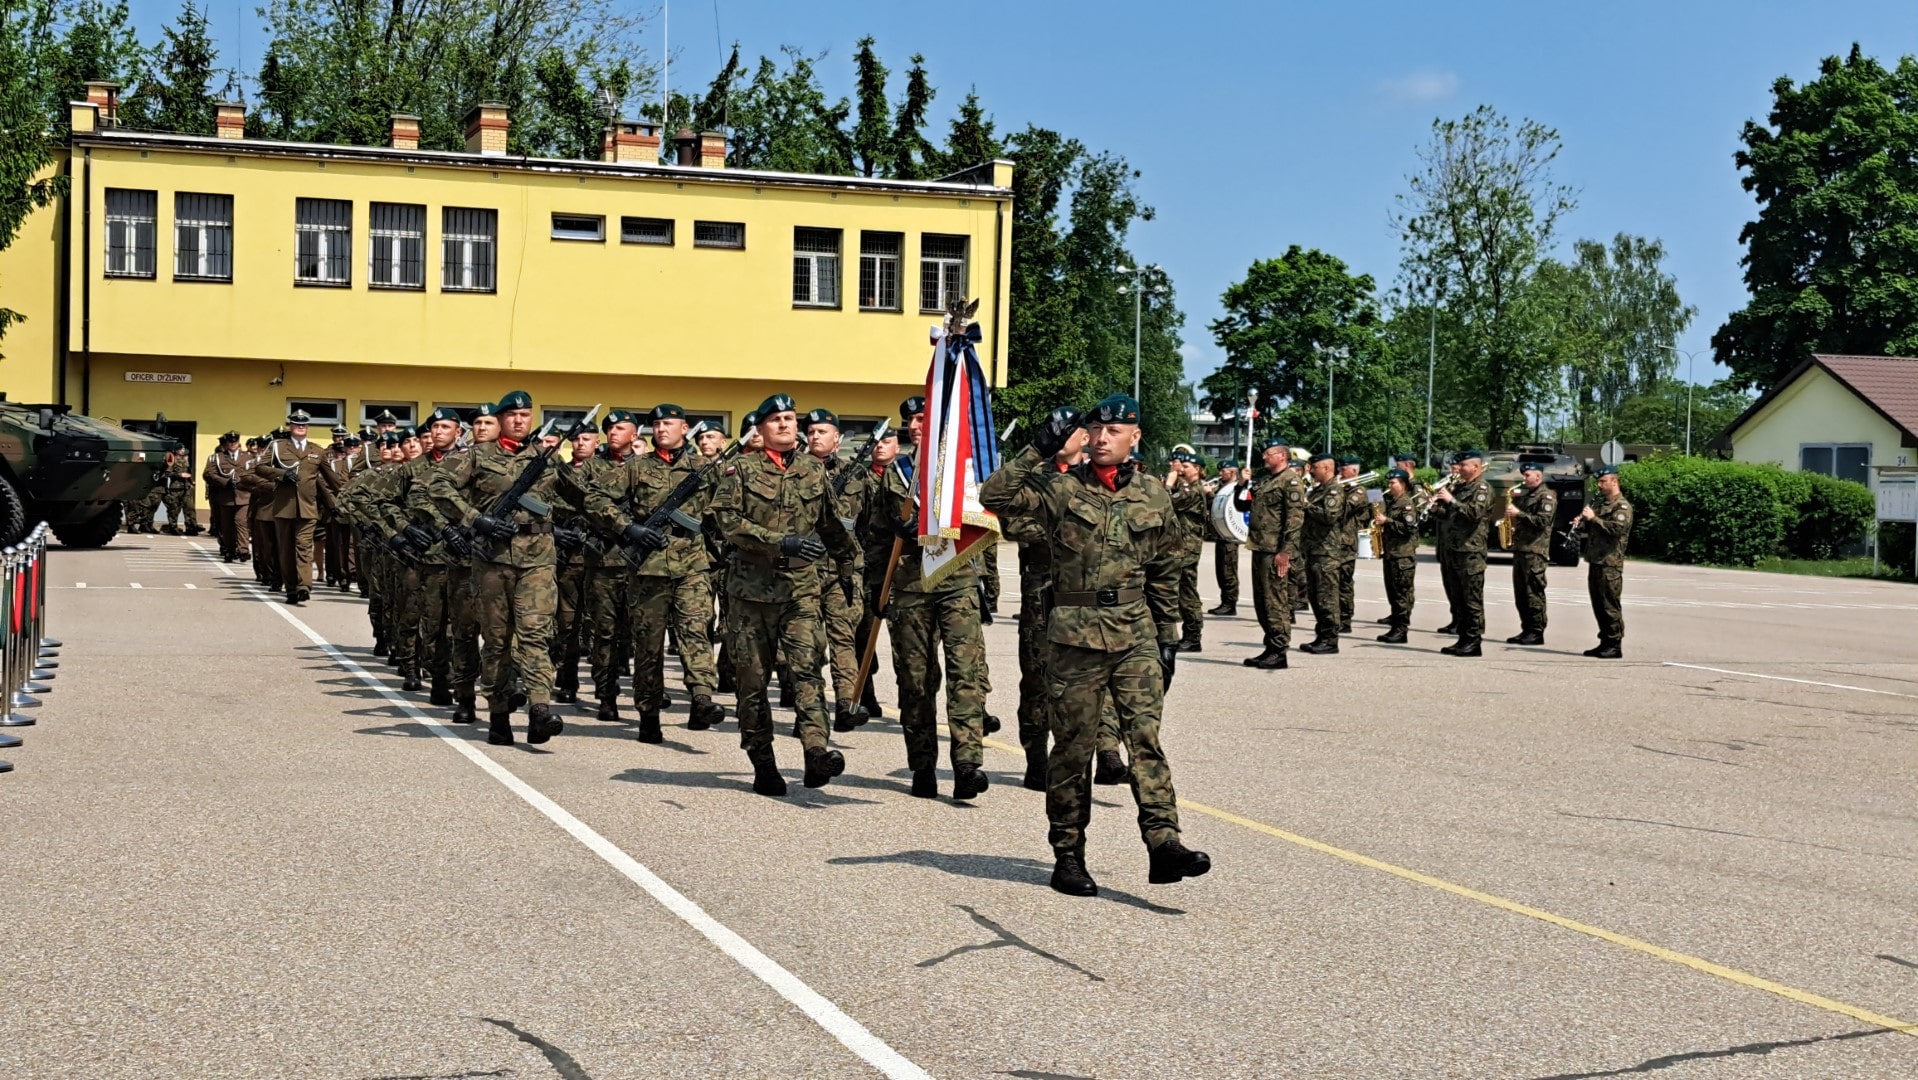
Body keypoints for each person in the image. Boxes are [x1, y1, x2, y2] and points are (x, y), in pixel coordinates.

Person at [981, 393, 1210, 897]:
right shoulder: (1061, 488)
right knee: (1073, 750)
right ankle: (1068, 855)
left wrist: (1167, 633)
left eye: (1114, 430)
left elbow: (1167, 565)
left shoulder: (1153, 492)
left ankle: (1163, 844)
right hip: (1074, 635)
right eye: (1095, 429)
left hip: (1135, 634)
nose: (1102, 437)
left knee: (1145, 741)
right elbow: (993, 498)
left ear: (1134, 437)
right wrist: (1036, 448)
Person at [711, 395, 862, 795]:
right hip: (751, 597)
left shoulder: (813, 470)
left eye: (790, 418)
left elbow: (831, 525)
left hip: (800, 592)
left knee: (807, 672)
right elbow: (730, 524)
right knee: (753, 683)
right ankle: (763, 764)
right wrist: (783, 543)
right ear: (759, 428)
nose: (784, 425)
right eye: (775, 419)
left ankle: (816, 750)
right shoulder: (739, 469)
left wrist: (849, 567)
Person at [423, 390, 564, 746]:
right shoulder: (477, 455)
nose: (519, 421)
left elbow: (582, 495)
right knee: (498, 641)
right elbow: (437, 487)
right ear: (501, 419)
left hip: (538, 559)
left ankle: (539, 708)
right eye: (513, 415)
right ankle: (499, 714)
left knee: (535, 635)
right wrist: (476, 519)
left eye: (526, 415)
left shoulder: (546, 458)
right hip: (493, 560)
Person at [872, 395, 991, 801]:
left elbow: (981, 527)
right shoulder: (896, 473)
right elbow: (876, 536)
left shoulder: (961, 471)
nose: (917, 425)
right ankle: (922, 764)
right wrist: (877, 588)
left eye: (925, 418)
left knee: (966, 673)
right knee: (916, 680)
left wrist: (986, 585)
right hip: (909, 586)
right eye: (912, 420)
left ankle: (967, 764)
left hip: (956, 580)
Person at [587, 404, 726, 741]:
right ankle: (648, 712)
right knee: (648, 645)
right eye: (657, 425)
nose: (662, 429)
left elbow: (728, 504)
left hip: (692, 564)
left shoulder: (704, 468)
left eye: (669, 423)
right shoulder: (636, 468)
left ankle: (702, 698)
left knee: (696, 633)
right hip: (648, 568)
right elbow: (594, 498)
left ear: (685, 427)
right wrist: (628, 529)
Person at [802, 408, 871, 732]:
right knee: (809, 645)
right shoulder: (796, 473)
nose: (816, 436)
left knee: (843, 639)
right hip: (804, 571)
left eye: (823, 431)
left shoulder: (857, 476)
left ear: (837, 438)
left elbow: (871, 523)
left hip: (843, 571)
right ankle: (811, 710)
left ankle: (846, 703)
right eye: (812, 431)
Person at [249, 409, 342, 605]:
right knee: (286, 550)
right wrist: (281, 474)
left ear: (308, 427)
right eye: (297, 423)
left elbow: (333, 480)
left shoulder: (317, 450)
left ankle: (303, 586)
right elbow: (260, 468)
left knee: (304, 546)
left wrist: (348, 494)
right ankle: (291, 588)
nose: (301, 426)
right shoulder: (278, 447)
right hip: (284, 507)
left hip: (308, 507)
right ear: (290, 426)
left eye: (304, 424)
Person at [1237, 440, 1304, 669]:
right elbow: (1243, 506)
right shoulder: (1268, 482)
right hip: (1260, 547)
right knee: (1262, 601)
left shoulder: (1291, 482)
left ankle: (1279, 650)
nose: (1264, 457)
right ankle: (1270, 647)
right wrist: (1241, 484)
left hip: (1275, 550)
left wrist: (1285, 552)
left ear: (1282, 456)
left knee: (1275, 601)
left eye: (1268, 454)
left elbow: (1294, 521)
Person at [1428, 449, 1493, 656]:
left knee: (1471, 600)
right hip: (1454, 550)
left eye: (1464, 465)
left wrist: (1451, 500)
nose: (1459, 468)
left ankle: (1474, 641)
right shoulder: (1461, 487)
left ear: (1475, 467)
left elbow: (1474, 513)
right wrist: (1435, 509)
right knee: (1458, 599)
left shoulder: (1482, 488)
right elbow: (1450, 516)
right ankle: (1463, 638)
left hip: (1470, 552)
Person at [1578, 465, 1633, 658]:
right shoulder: (1602, 505)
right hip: (1596, 560)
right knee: (1598, 604)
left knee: (1610, 604)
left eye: (1603, 481)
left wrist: (1593, 519)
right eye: (1599, 482)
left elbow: (1616, 529)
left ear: (1614, 482)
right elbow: (1595, 529)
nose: (1600, 485)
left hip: (1610, 563)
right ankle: (1604, 641)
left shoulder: (1622, 507)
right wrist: (1582, 522)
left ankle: (1614, 643)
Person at [1297, 455, 1346, 655]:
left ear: (1327, 468)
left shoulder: (1334, 490)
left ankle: (1330, 639)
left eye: (1315, 467)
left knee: (1327, 597)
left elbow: (1329, 516)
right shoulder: (1318, 490)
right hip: (1314, 550)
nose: (1311, 471)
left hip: (1327, 552)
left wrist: (1306, 505)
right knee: (1316, 597)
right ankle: (1321, 635)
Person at [1505, 461, 1557, 646]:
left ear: (1538, 476)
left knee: (1533, 592)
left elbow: (1542, 521)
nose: (1524, 478)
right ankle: (1526, 629)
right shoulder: (1528, 495)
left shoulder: (1547, 496)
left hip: (1535, 551)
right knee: (1520, 593)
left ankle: (1536, 631)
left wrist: (1518, 514)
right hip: (1522, 550)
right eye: (1524, 475)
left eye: (1527, 475)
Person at [1165, 451, 1208, 651]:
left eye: (1187, 467)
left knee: (1187, 592)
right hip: (1180, 546)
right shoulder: (1188, 488)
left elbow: (1167, 504)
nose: (1182, 469)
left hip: (1188, 548)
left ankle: (1193, 636)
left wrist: (1169, 482)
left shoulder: (1194, 490)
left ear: (1197, 470)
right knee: (1182, 591)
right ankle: (1190, 634)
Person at [1373, 469, 1421, 643]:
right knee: (1392, 592)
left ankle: (1401, 630)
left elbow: (1409, 528)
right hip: (1392, 554)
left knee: (1402, 594)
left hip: (1403, 555)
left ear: (1403, 484)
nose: (1389, 485)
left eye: (1393, 482)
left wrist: (1388, 521)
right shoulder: (1392, 502)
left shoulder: (1406, 504)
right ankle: (1395, 627)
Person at [202, 431, 250, 562]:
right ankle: (229, 550)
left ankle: (243, 549)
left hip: (243, 496)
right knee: (227, 526)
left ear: (239, 442)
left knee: (241, 522)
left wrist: (244, 481)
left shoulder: (248, 457)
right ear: (226, 443)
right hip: (225, 497)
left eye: (235, 442)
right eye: (230, 442)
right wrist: (225, 482)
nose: (233, 444)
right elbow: (208, 474)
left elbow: (256, 472)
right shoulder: (217, 458)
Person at [1334, 456, 1369, 633]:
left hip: (1346, 544)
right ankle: (1335, 617)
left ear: (1354, 471)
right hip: (1334, 543)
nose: (1340, 472)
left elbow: (1343, 509)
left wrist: (1336, 490)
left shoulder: (1359, 491)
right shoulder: (1341, 489)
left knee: (1344, 583)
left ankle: (1345, 619)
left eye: (1344, 469)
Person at [1208, 464, 1241, 616]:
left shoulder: (1237, 487)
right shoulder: (1221, 487)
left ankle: (1230, 603)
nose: (1220, 473)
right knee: (1221, 570)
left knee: (1228, 571)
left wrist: (1210, 494)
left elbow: (1232, 506)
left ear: (1233, 471)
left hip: (1230, 535)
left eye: (1224, 471)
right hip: (1220, 534)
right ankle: (1225, 601)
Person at [159, 442, 201, 535]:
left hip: (186, 488)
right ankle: (173, 527)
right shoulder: (172, 459)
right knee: (174, 509)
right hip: (176, 489)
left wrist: (191, 482)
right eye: (181, 449)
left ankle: (191, 527)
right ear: (177, 450)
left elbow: (188, 472)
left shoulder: (185, 459)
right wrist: (179, 475)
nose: (183, 450)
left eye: (183, 449)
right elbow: (167, 473)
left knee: (189, 508)